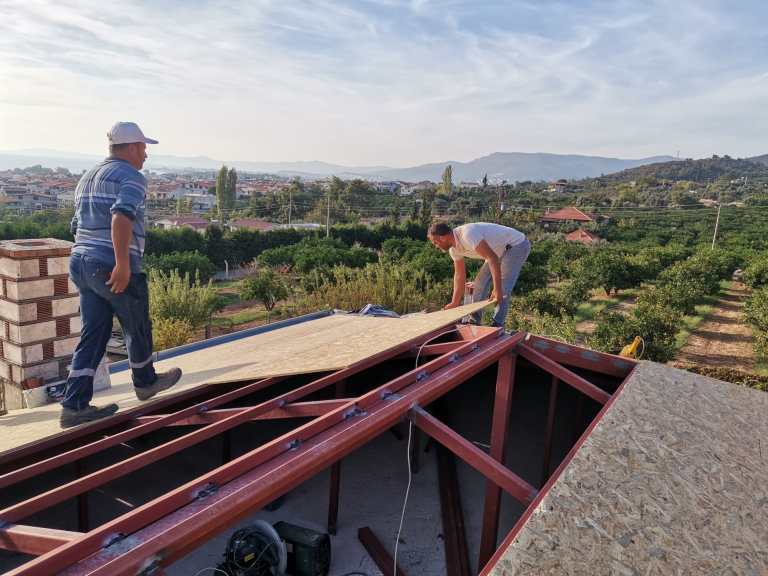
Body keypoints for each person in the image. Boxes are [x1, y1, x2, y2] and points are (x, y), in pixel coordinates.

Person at [60, 122, 182, 428]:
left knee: (94, 333)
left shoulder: (88, 177)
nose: (145, 155)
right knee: (137, 321)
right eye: (143, 148)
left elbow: (75, 226)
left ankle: (74, 406)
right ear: (129, 148)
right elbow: (121, 216)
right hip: (108, 264)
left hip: (81, 262)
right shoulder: (132, 177)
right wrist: (122, 264)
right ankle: (145, 382)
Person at [428, 221, 531, 327]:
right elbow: (459, 276)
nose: (436, 246)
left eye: (435, 242)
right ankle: (474, 321)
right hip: (496, 251)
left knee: (503, 288)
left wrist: (497, 288)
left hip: (516, 245)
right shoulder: (454, 250)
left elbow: (492, 258)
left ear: (443, 237)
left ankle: (497, 324)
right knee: (479, 283)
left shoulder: (467, 234)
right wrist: (455, 302)